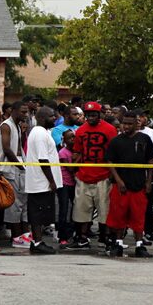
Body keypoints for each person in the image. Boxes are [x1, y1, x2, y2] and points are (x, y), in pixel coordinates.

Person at [103, 111, 153, 258]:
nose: (126, 126)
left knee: (138, 216)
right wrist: (118, 181)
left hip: (139, 185)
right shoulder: (116, 141)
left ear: (136, 124)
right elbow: (110, 162)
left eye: (129, 123)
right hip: (121, 186)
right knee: (119, 216)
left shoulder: (145, 139)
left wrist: (148, 181)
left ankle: (139, 246)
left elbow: (149, 162)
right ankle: (118, 244)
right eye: (124, 123)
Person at [66, 102, 118, 250]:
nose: (90, 118)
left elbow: (114, 153)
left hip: (103, 175)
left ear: (100, 114)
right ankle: (82, 238)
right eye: (88, 115)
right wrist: (75, 169)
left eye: (93, 115)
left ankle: (105, 237)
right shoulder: (81, 130)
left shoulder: (110, 129)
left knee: (105, 210)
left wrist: (112, 174)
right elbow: (77, 151)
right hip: (84, 175)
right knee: (81, 210)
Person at [25, 107, 63, 255]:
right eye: (51, 116)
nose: (54, 118)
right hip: (40, 182)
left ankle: (38, 241)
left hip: (41, 182)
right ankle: (37, 242)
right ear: (41, 118)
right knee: (38, 214)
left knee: (40, 214)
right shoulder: (40, 133)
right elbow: (43, 159)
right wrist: (51, 181)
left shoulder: (43, 132)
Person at [0, 101, 28, 247]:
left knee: (21, 203)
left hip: (18, 166)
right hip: (11, 168)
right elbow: (7, 149)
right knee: (14, 203)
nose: (25, 115)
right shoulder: (6, 125)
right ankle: (16, 237)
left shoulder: (17, 125)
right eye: (23, 112)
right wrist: (20, 166)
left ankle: (22, 234)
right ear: (14, 111)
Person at [137, 110, 153, 244]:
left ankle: (148, 230)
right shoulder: (125, 134)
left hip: (149, 172)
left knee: (148, 203)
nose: (142, 119)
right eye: (139, 116)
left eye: (143, 116)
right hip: (133, 174)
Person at [57, 129, 76, 247]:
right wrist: (77, 159)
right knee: (64, 209)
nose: (72, 140)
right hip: (64, 183)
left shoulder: (76, 152)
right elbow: (71, 169)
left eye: (74, 137)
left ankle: (72, 233)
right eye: (70, 138)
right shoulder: (63, 153)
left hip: (74, 183)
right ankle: (62, 236)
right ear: (64, 140)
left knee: (76, 208)